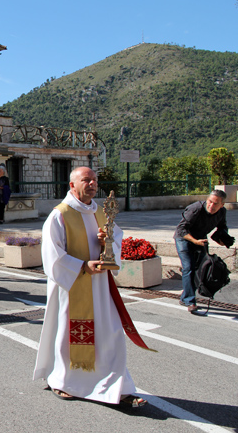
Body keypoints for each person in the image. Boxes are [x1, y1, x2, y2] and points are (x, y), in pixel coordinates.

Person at [33, 166, 150, 408]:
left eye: (94, 180)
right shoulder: (60, 214)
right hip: (73, 288)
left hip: (100, 285)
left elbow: (117, 239)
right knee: (70, 334)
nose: (92, 184)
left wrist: (107, 241)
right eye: (86, 180)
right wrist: (82, 266)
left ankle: (120, 386)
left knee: (111, 333)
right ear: (72, 185)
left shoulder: (100, 211)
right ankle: (63, 381)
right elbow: (52, 256)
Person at [174, 189, 232, 313]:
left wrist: (222, 238)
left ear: (222, 205)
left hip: (201, 239)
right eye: (210, 201)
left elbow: (222, 227)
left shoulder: (222, 212)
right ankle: (190, 301)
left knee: (200, 269)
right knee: (188, 268)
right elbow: (181, 229)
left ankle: (185, 297)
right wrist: (195, 241)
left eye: (216, 203)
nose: (211, 205)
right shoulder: (195, 209)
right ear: (207, 200)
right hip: (184, 239)